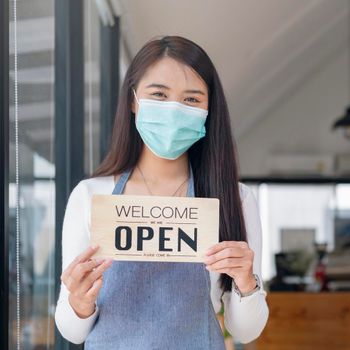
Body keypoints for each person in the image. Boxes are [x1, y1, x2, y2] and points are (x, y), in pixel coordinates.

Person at [54, 36, 269, 349]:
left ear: (210, 110)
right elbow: (72, 332)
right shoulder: (91, 196)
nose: (174, 110)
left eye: (191, 100)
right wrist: (79, 301)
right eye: (159, 94)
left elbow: (245, 332)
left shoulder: (234, 199)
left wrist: (246, 282)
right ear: (133, 100)